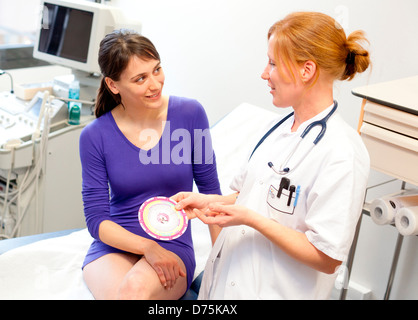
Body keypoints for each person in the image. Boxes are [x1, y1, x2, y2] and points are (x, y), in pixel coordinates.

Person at [172, 11, 371, 299]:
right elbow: (250, 197)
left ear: (307, 70)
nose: (264, 73)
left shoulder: (342, 153)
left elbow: (327, 257)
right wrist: (208, 202)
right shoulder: (275, 128)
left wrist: (251, 220)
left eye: (274, 63)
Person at [79, 29, 221, 300]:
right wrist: (147, 248)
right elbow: (97, 220)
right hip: (114, 245)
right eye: (140, 78)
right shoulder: (94, 136)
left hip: (171, 245)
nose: (155, 84)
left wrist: (222, 265)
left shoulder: (190, 114)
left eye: (157, 70)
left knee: (134, 290)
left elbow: (211, 194)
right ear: (113, 85)